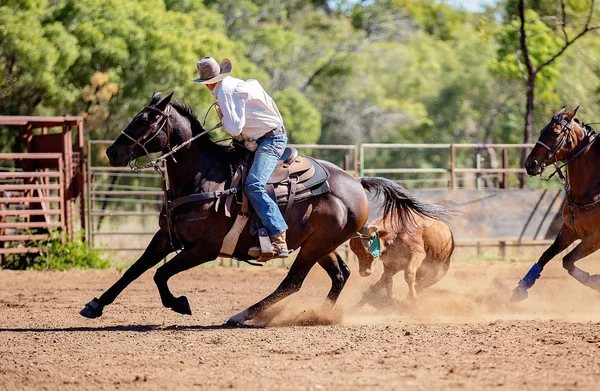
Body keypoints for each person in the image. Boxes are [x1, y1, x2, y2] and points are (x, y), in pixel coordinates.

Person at [193, 56, 290, 258]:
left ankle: (279, 238)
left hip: (269, 141)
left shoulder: (225, 91)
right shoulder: (235, 84)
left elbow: (235, 127)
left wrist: (224, 122)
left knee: (254, 185)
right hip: (258, 139)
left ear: (208, 83)